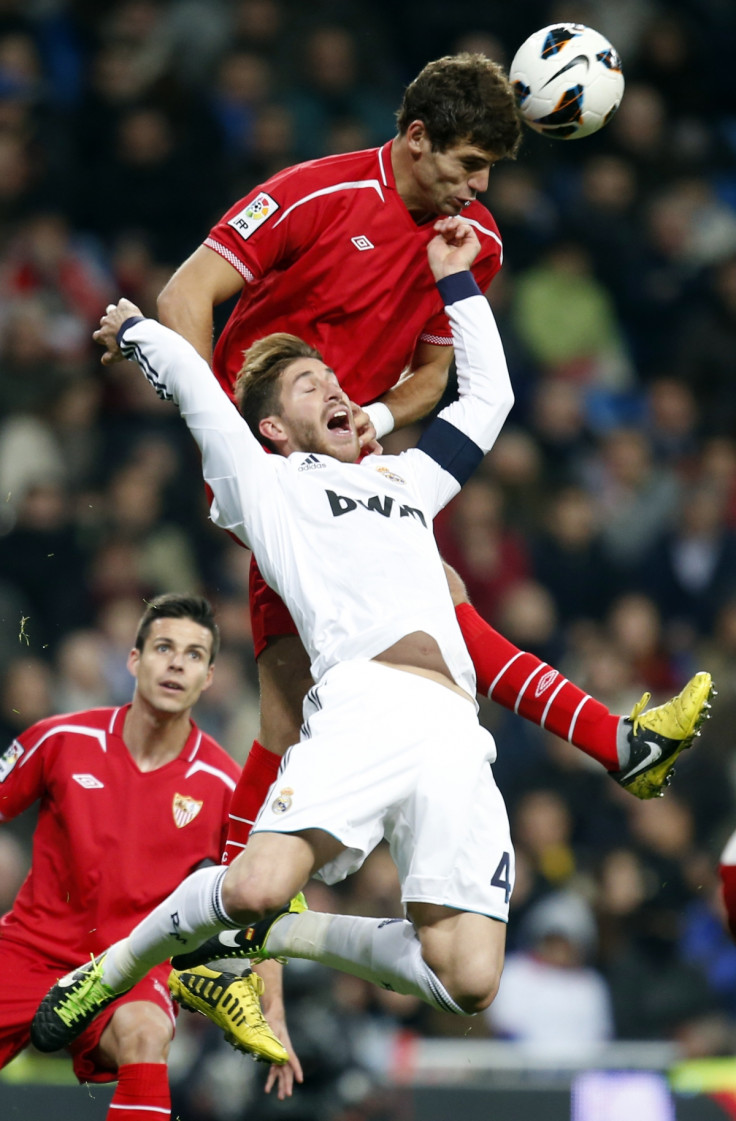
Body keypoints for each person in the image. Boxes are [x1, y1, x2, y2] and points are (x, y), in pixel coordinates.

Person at [148, 52, 712, 866]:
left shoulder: (472, 240)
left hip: (349, 453)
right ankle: (614, 741)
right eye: (469, 165)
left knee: (285, 692)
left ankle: (228, 922)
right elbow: (181, 297)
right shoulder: (319, 192)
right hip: (272, 448)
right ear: (417, 138)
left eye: (488, 170)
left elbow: (437, 376)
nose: (479, 189)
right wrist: (230, 445)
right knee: (429, 593)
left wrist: (372, 417)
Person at [32, 216, 524, 1052]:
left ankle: (274, 937)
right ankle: (113, 967)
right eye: (307, 387)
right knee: (256, 885)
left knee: (468, 977)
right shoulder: (267, 488)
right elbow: (196, 390)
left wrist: (455, 281)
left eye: (332, 379)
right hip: (362, 704)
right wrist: (140, 330)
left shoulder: (405, 479)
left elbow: (489, 399)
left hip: (453, 730)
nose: (333, 391)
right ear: (271, 428)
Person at [0, 593, 298, 1118]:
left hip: (130, 967)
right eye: (164, 647)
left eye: (194, 654)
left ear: (208, 678)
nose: (177, 662)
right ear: (134, 660)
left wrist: (273, 1005)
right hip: (29, 949)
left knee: (148, 1034)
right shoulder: (60, 740)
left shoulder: (226, 785)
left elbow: (269, 900)